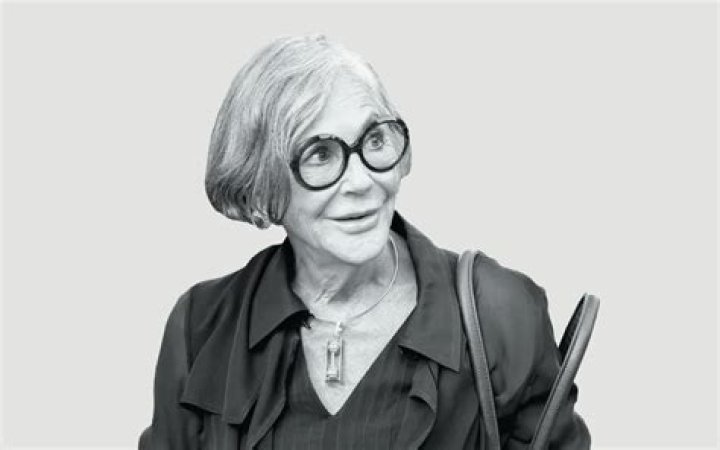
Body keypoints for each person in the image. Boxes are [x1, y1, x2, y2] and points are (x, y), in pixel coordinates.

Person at [140, 34, 591, 449]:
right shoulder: (202, 326)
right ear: (260, 185)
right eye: (319, 154)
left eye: (374, 140)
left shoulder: (499, 312)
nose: (361, 181)